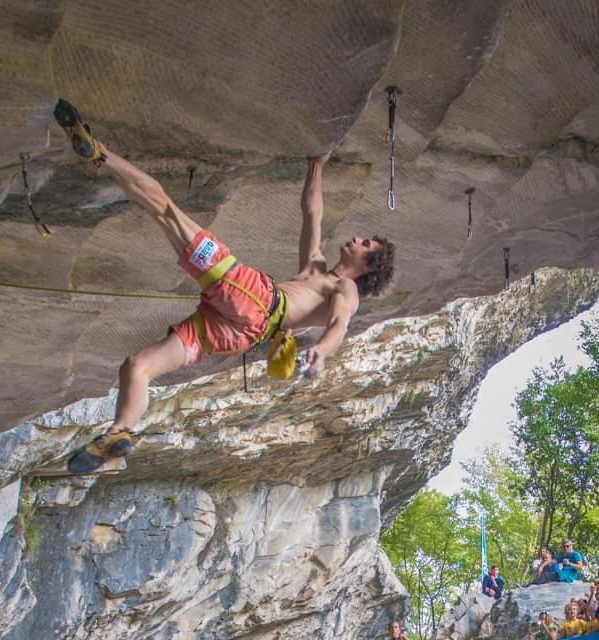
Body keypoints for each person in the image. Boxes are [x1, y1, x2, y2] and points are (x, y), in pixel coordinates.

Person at [53, 100, 396, 474]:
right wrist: (316, 166)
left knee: (166, 210)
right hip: (234, 332)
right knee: (138, 366)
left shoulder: (346, 290)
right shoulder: (315, 267)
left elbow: (339, 325)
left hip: (251, 297)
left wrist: (323, 353)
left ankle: (99, 153)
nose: (358, 238)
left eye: (366, 245)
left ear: (367, 266)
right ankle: (120, 433)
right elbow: (312, 213)